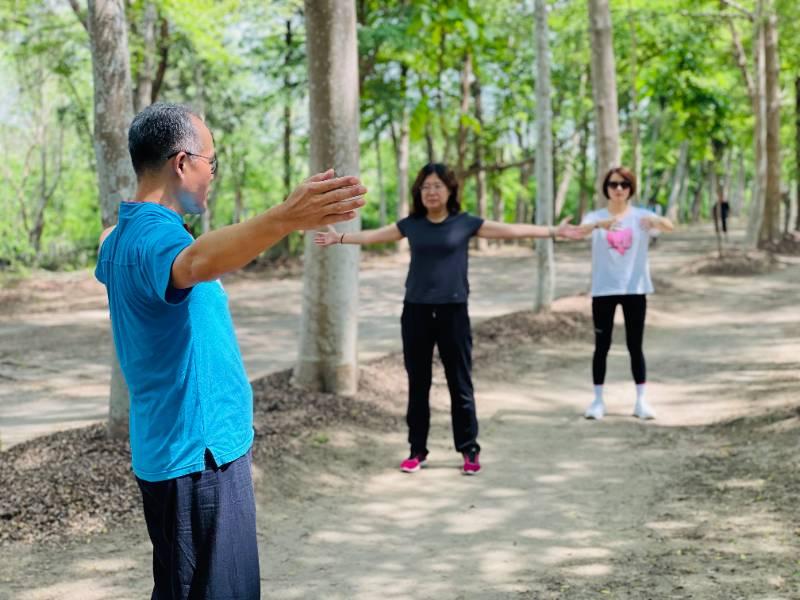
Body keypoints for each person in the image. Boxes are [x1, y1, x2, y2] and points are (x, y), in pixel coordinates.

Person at [95, 103, 365, 599]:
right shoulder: (158, 238)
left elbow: (119, 240)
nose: (212, 176)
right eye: (211, 163)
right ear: (182, 163)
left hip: (177, 450)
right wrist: (286, 216)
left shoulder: (122, 237)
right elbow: (197, 261)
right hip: (198, 455)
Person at [315, 162, 585, 475]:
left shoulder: (464, 223)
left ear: (450, 190)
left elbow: (509, 229)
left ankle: (469, 449)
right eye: (426, 186)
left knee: (460, 384)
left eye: (437, 186)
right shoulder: (412, 224)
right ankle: (417, 450)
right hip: (415, 312)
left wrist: (554, 232)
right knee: (418, 385)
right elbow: (377, 236)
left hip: (453, 312)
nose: (431, 191)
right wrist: (340, 239)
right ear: (420, 191)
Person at [578, 166, 673, 421]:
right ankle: (598, 401)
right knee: (602, 346)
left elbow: (670, 226)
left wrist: (656, 221)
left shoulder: (641, 216)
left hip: (635, 289)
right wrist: (599, 224)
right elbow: (578, 232)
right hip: (603, 289)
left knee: (635, 345)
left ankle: (641, 401)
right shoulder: (595, 216)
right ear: (606, 188)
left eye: (624, 185)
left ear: (631, 189)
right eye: (613, 184)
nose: (618, 189)